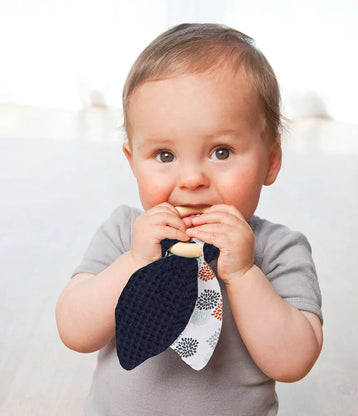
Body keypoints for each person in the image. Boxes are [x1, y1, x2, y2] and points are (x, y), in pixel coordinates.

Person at [56, 23, 323, 416]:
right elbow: (75, 331)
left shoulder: (277, 249)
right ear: (133, 163)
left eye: (221, 152)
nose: (193, 179)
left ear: (271, 160)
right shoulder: (124, 234)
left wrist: (245, 274)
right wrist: (133, 263)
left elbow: (294, 360)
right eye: (165, 156)